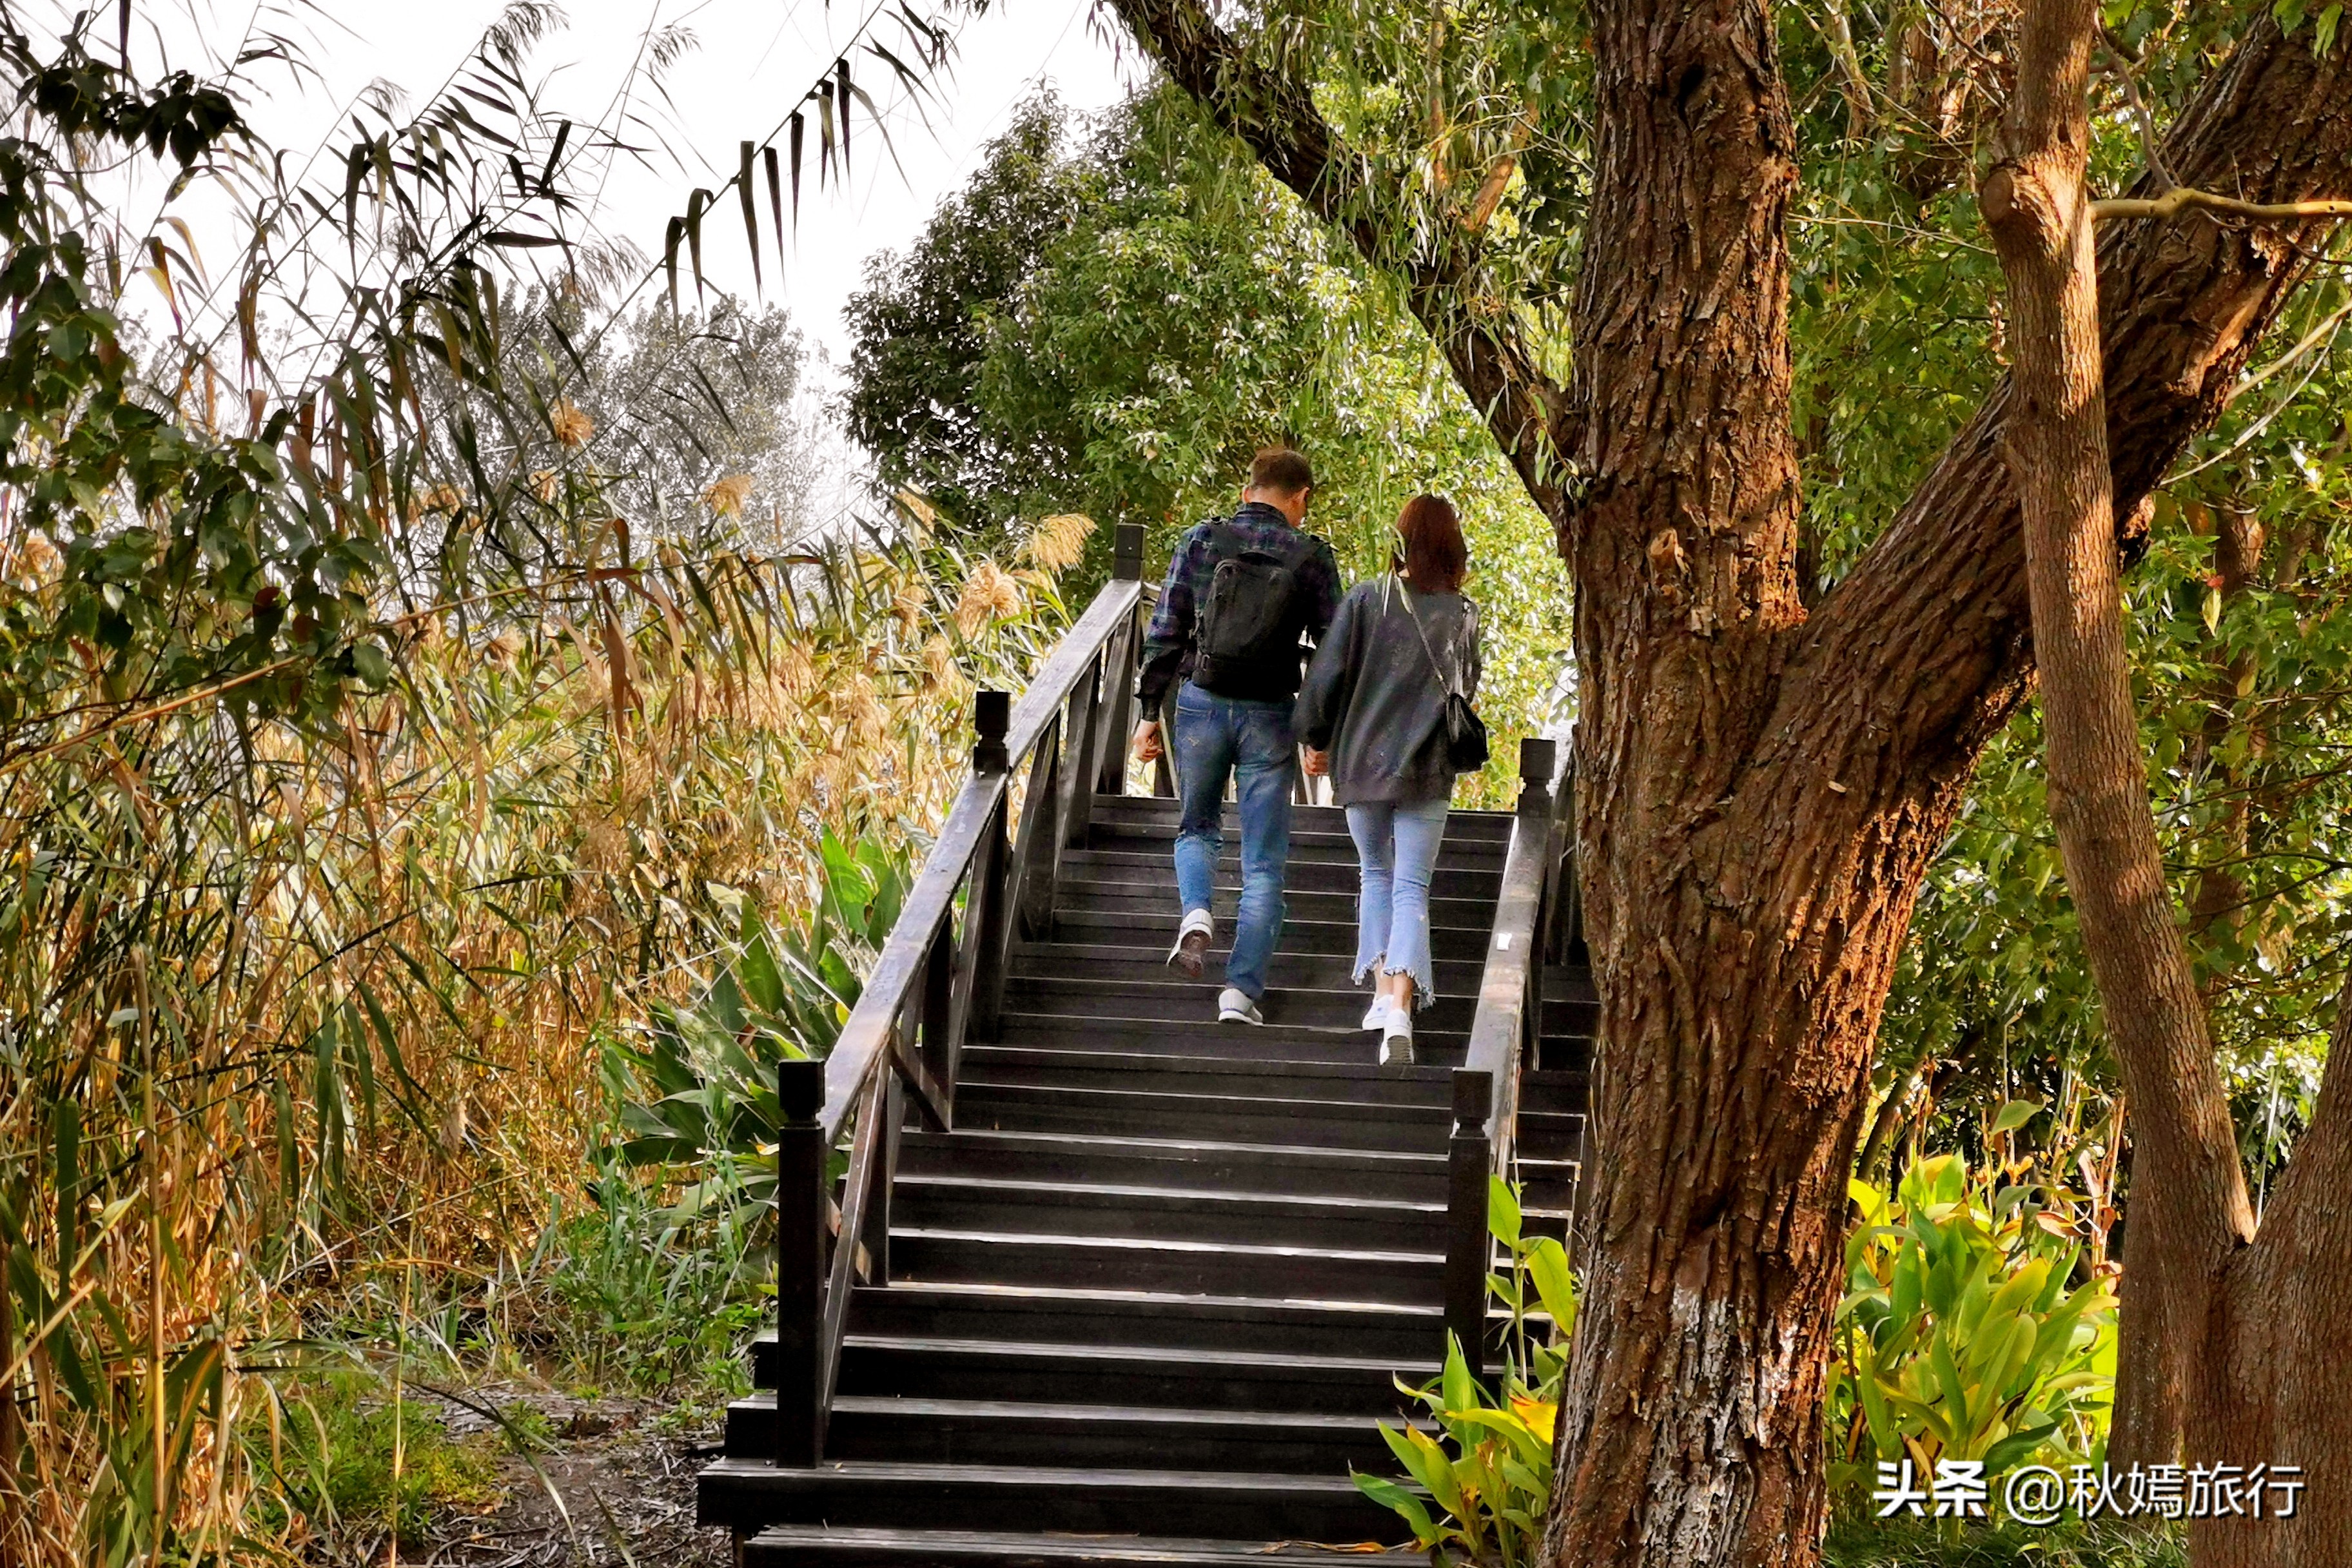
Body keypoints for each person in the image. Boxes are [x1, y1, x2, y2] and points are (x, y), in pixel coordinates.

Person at [1132, 447, 1342, 1024]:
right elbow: (1333, 655)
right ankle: (1240, 994)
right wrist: (1318, 734)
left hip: (1201, 702)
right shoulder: (1312, 556)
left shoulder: (1203, 540)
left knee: (1197, 826)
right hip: (1270, 713)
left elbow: (1166, 627)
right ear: (1300, 498)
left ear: (1248, 491)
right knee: (1264, 864)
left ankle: (1197, 913)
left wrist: (1148, 712)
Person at [1293, 494, 1482, 1065]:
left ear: (1400, 541)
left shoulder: (1365, 598)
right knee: (1411, 887)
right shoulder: (1463, 613)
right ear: (1452, 548)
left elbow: (1326, 677)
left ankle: (1382, 997)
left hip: (1362, 762)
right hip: (1427, 766)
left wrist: (1316, 739)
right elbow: (1466, 688)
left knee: (1375, 874)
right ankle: (1399, 1008)